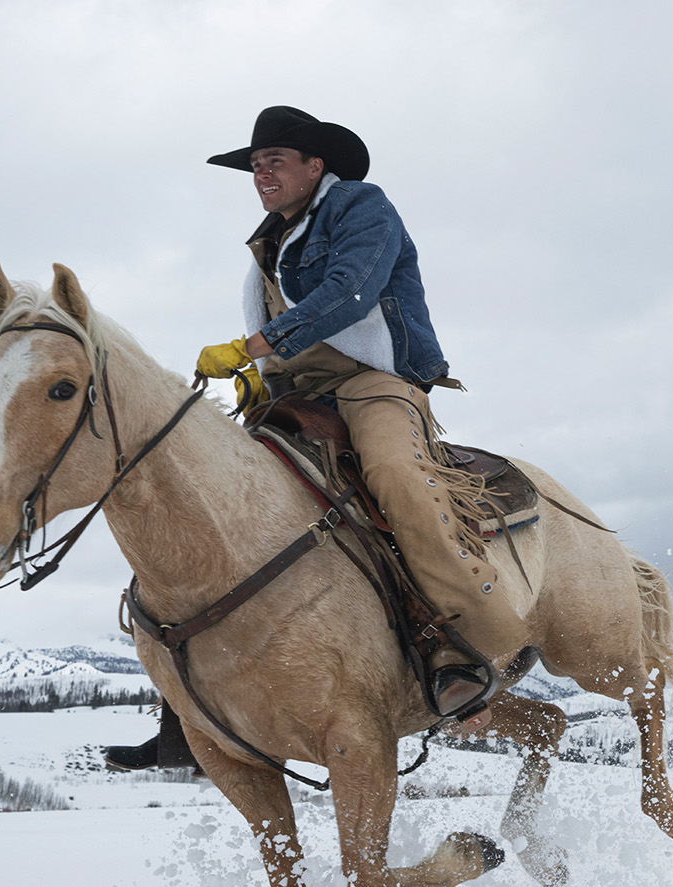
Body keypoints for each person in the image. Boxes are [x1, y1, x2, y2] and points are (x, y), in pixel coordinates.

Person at [107, 106, 518, 771]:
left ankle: (456, 650)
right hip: (295, 393)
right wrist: (261, 379)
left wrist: (252, 348)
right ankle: (181, 710)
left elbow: (349, 293)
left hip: (374, 382)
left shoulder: (362, 208)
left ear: (314, 166)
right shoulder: (271, 239)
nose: (260, 175)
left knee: (395, 480)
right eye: (254, 166)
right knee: (204, 500)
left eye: (273, 161)